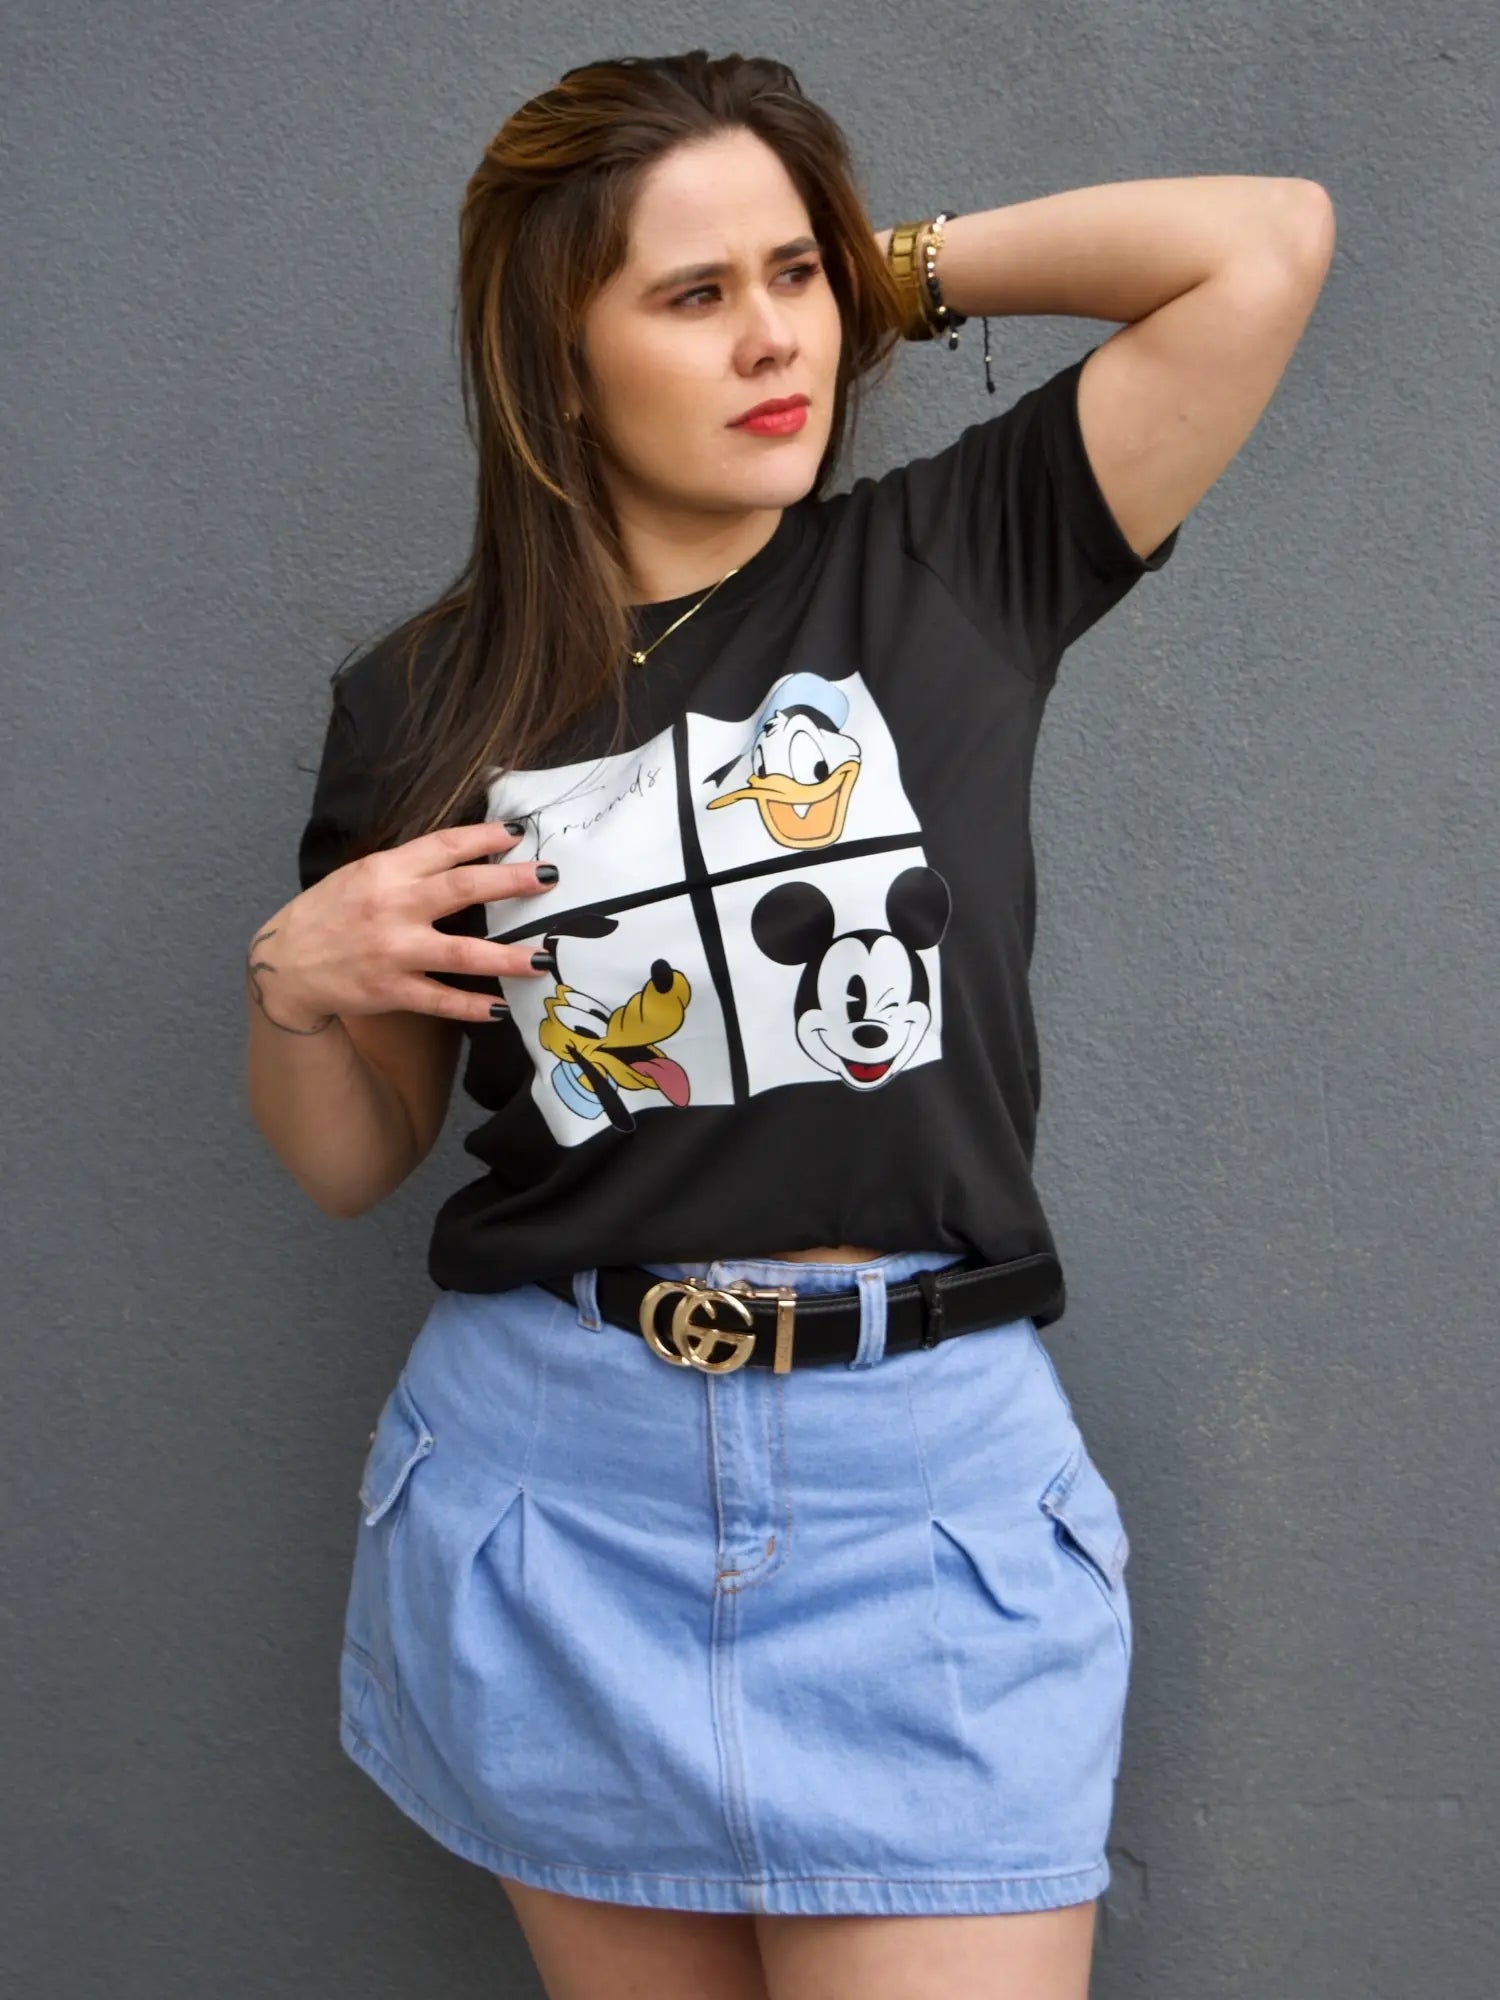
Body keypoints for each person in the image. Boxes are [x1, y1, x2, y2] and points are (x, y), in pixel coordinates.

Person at [245, 48, 1333, 2000]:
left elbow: (1264, 245)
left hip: (920, 1501)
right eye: (693, 294)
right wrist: (295, 991)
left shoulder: (960, 559)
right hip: (561, 1485)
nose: (774, 340)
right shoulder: (423, 703)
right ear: (557, 364)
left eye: (796, 276)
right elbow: (352, 1157)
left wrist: (885, 265)